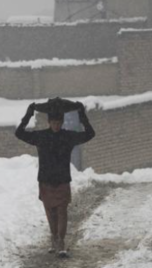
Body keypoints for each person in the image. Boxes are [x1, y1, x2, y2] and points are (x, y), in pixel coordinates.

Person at [15, 101, 95, 258]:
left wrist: (81, 114)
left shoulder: (68, 136)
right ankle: (53, 237)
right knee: (51, 212)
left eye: (59, 123)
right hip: (45, 180)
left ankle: (61, 241)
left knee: (62, 211)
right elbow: (19, 133)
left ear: (62, 122)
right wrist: (29, 113)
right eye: (54, 122)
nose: (56, 125)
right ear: (49, 122)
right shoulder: (41, 136)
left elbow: (90, 134)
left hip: (63, 180)